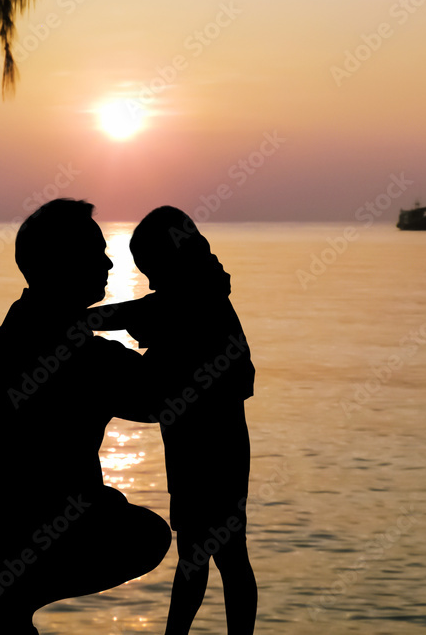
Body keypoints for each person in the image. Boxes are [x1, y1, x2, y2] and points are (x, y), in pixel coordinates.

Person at [0, 198, 171, 635]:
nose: (107, 263)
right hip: (7, 529)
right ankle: (9, 602)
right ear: (63, 262)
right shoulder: (79, 355)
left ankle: (9, 606)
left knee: (100, 508)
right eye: (95, 252)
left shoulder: (5, 341)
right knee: (147, 534)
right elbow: (161, 397)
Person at [90, 206, 257, 635]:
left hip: (209, 446)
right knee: (207, 553)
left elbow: (137, 315)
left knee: (217, 554)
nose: (149, 280)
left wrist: (78, 321)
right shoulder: (205, 296)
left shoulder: (196, 301)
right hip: (203, 443)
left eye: (152, 270)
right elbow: (145, 314)